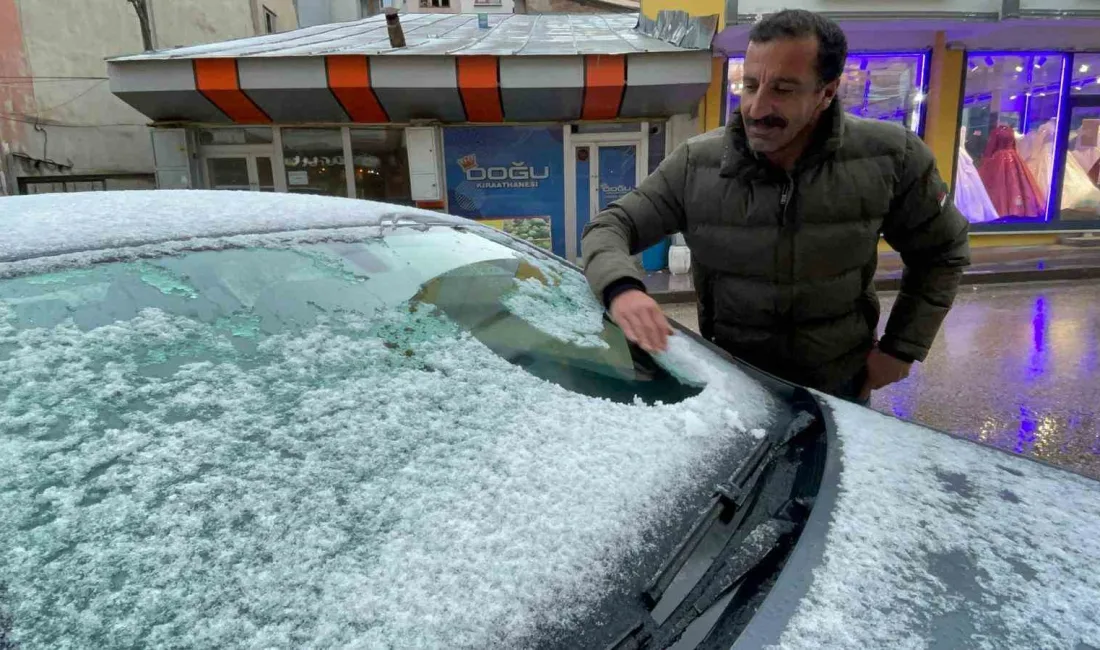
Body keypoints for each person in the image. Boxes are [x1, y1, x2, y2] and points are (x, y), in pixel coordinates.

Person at [581, 9, 970, 404]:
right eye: (749, 85)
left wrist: (900, 349)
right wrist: (622, 288)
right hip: (735, 388)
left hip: (840, 389)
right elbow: (610, 226)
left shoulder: (893, 157)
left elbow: (942, 251)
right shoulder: (697, 163)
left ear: (827, 91)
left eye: (783, 89)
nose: (756, 107)